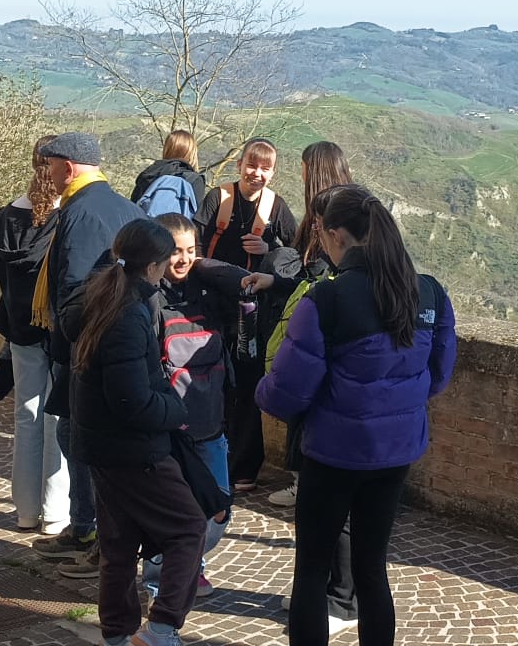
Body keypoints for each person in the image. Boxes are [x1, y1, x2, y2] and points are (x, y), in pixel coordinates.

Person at [255, 185, 458, 646]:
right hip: (396, 452)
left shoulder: (326, 300)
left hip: (333, 452)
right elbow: (438, 376)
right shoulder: (428, 293)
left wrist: (259, 389)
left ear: (335, 236)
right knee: (372, 568)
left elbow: (287, 393)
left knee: (312, 569)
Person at [69, 218, 202, 646]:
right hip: (133, 450)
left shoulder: (100, 296)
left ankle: (117, 633)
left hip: (101, 445)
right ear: (153, 266)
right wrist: (175, 409)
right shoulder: (127, 314)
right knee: (188, 528)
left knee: (119, 545)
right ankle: (161, 628)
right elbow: (130, 400)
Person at [30, 132, 146, 578]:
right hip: (115, 339)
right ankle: (85, 527)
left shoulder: (79, 211)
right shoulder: (125, 207)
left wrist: (68, 343)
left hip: (88, 347)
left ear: (68, 167)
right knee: (76, 434)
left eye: (51, 165)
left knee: (80, 438)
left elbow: (74, 290)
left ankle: (92, 532)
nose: (48, 173)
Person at [141, 213, 249, 598]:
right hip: (170, 432)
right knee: (171, 511)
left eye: (191, 251)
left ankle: (189, 563)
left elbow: (244, 279)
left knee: (218, 508)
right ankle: (162, 580)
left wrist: (204, 264)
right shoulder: (147, 298)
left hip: (210, 425)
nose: (184, 260)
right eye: (175, 251)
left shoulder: (207, 290)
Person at [194, 137, 298, 492]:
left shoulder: (276, 207)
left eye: (265, 168)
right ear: (240, 165)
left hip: (251, 312)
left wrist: (269, 248)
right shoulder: (218, 198)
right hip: (212, 304)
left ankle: (243, 468)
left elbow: (297, 252)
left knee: (247, 385)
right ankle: (210, 458)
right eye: (252, 165)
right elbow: (194, 239)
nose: (257, 173)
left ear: (273, 172)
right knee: (214, 380)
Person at [261, 141, 354, 508]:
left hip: (320, 319)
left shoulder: (326, 214)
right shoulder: (354, 205)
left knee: (304, 398)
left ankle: (305, 485)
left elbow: (313, 271)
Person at [0, 135, 69, 534]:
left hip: (19, 327)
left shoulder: (5, 216)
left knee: (27, 415)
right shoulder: (66, 217)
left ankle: (24, 509)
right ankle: (55, 511)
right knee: (55, 417)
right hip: (55, 328)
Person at [130, 129, 208, 218]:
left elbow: (133, 207)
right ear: (192, 153)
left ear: (167, 149)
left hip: (145, 225)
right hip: (178, 226)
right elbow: (196, 217)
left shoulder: (149, 174)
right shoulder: (195, 180)